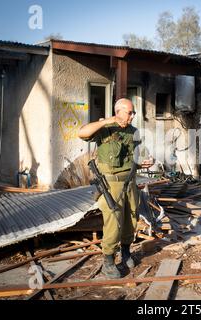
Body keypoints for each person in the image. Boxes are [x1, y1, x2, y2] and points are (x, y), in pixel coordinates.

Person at [78, 98, 153, 278]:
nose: (133, 116)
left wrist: (146, 163)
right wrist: (106, 121)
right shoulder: (104, 130)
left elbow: (137, 157)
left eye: (133, 112)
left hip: (130, 182)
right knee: (113, 223)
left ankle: (126, 252)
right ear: (118, 112)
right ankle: (108, 261)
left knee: (131, 219)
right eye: (130, 112)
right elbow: (82, 133)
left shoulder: (133, 132)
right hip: (111, 184)